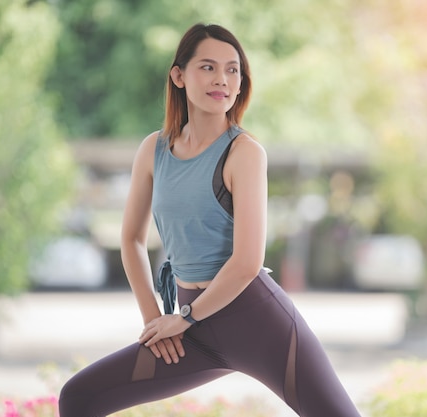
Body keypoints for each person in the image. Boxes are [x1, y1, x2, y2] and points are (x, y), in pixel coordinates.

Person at [58, 23, 362, 417]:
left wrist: (183, 318)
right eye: (208, 67)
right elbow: (132, 238)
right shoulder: (154, 150)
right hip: (192, 333)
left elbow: (247, 262)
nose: (222, 79)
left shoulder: (244, 152)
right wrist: (155, 319)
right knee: (79, 397)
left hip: (255, 321)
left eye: (232, 70)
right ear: (179, 75)